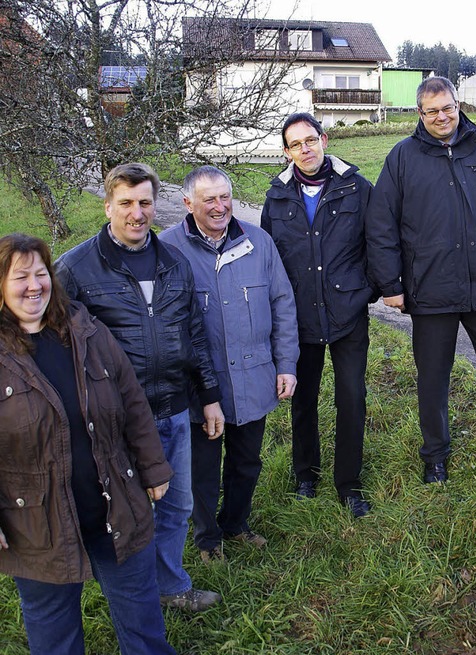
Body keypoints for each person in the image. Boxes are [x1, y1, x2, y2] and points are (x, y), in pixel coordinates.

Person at [55, 163, 225, 612]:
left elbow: (194, 334)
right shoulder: (75, 268)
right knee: (127, 514)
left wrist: (208, 397)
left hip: (172, 408)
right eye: (126, 203)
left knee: (177, 506)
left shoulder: (174, 262)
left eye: (145, 202)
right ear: (108, 204)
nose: (137, 213)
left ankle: (169, 586)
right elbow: (50, 341)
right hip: (113, 420)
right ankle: (132, 597)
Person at [0, 233, 176, 655]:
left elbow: (132, 400)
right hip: (37, 522)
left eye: (40, 273)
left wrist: (153, 468)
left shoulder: (83, 328)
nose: (34, 286)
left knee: (142, 618)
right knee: (53, 631)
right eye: (20, 277)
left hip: (113, 501)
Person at [366, 76, 476, 496]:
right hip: (430, 291)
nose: (442, 117)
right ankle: (436, 457)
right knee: (433, 380)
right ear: (419, 114)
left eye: (448, 108)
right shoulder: (403, 158)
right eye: (432, 111)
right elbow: (381, 225)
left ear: (458, 105)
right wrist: (391, 283)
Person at [159, 166, 299, 562]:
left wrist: (286, 364)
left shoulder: (258, 242)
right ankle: (208, 539)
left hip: (254, 375)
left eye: (225, 197)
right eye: (209, 200)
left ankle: (236, 524)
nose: (220, 207)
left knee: (247, 460)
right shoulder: (168, 249)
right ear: (188, 203)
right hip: (200, 385)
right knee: (202, 468)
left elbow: (282, 304)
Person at [261, 112, 374, 518]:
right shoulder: (276, 198)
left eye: (310, 140)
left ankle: (349, 484)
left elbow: (376, 242)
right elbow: (269, 261)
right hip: (299, 319)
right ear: (287, 151)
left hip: (347, 315)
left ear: (323, 139)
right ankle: (305, 475)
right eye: (295, 144)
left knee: (352, 398)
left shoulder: (356, 188)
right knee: (302, 399)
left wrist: (367, 291)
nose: (305, 150)